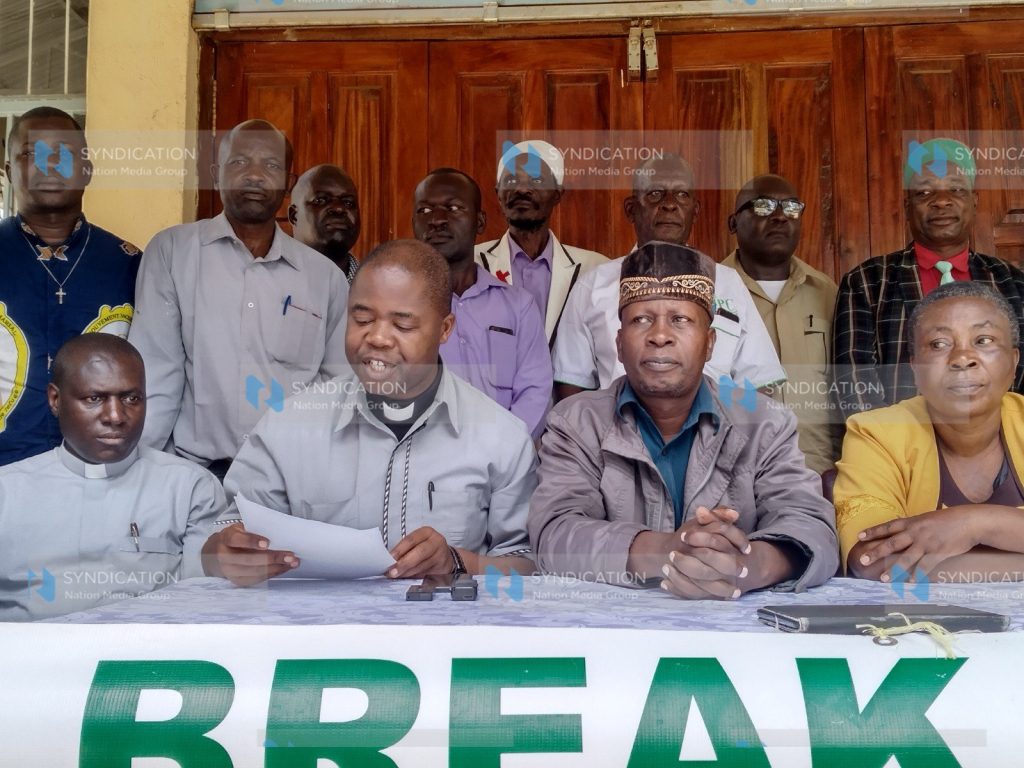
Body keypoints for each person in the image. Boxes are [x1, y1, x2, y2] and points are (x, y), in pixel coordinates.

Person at [202, 239, 536, 586]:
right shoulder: (288, 426)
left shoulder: (502, 438)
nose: (377, 337)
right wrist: (225, 555)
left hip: (446, 639)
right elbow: (224, 534)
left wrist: (457, 562)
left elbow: (529, 567)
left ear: (445, 329)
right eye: (362, 318)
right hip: (318, 635)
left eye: (402, 326)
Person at [529, 242, 838, 598]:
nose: (660, 335)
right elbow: (553, 533)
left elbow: (812, 525)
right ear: (618, 344)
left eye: (681, 320)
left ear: (709, 344)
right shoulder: (575, 423)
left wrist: (746, 566)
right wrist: (667, 550)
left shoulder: (765, 424)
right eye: (641, 319)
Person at [128, 120, 348, 480]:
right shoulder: (173, 253)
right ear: (216, 174)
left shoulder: (325, 279)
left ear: (289, 183)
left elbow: (336, 390)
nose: (256, 175)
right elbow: (156, 373)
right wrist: (139, 477)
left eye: (272, 165)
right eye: (240, 162)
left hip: (291, 481)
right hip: (193, 476)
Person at [0, 334, 223, 621]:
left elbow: (205, 603)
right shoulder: (7, 492)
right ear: (55, 400)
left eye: (131, 398)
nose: (116, 416)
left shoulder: (190, 487)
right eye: (95, 399)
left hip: (146, 660)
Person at [552, 154, 786, 402]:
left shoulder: (727, 282)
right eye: (655, 194)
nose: (670, 204)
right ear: (631, 209)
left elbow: (760, 380)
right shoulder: (594, 284)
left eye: (682, 195)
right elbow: (571, 383)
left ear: (695, 211)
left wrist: (735, 436)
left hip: (715, 435)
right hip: (618, 434)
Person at [836, 282, 1024, 582]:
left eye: (984, 340)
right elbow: (874, 560)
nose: (962, 358)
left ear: (1014, 362)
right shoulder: (876, 432)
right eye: (939, 344)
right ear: (915, 368)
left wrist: (976, 523)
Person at [833, 138, 1024, 419]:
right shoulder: (866, 281)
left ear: (975, 200)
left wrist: (991, 443)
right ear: (907, 204)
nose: (941, 201)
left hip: (999, 449)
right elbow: (853, 383)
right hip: (899, 452)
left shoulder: (1012, 282)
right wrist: (893, 448)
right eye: (924, 192)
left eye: (956, 189)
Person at [0, 106, 140, 466]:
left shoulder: (130, 265)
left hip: (102, 473)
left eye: (63, 153)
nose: (49, 164)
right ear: (8, 170)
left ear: (88, 170)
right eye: (33, 153)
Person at [412, 168, 552, 438]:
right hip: (422, 462)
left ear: (480, 222)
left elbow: (536, 392)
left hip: (504, 468)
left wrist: (501, 453)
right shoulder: (398, 308)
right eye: (425, 211)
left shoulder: (519, 306)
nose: (438, 220)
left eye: (453, 208)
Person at [722, 174, 841, 473]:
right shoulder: (710, 290)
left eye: (790, 208)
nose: (779, 217)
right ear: (733, 223)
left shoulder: (828, 293)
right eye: (763, 206)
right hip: (735, 471)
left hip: (821, 471)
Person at [476, 140, 605, 346]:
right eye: (511, 181)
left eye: (536, 181)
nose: (522, 189)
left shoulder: (596, 269)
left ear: (557, 195)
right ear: (498, 194)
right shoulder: (471, 263)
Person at [288, 163, 361, 283]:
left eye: (348, 202)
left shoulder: (378, 287)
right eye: (321, 200)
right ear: (294, 216)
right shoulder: (265, 283)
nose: (339, 208)